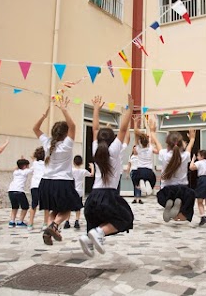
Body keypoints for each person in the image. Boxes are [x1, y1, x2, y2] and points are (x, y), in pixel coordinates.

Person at [79, 95, 134, 257]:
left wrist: (96, 108)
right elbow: (123, 130)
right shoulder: (114, 151)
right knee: (125, 219)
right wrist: (129, 109)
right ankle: (98, 233)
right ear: (112, 139)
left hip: (93, 197)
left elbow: (95, 129)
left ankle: (88, 237)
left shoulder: (96, 149)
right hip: (108, 195)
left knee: (96, 222)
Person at [33, 98, 81, 246]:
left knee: (54, 210)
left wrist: (43, 116)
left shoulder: (47, 143)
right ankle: (54, 226)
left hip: (46, 183)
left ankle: (50, 228)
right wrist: (64, 109)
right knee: (67, 211)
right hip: (63, 182)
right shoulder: (66, 145)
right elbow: (73, 125)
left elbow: (35, 129)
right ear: (66, 134)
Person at [150, 119, 196, 223]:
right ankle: (178, 212)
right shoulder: (185, 156)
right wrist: (192, 138)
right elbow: (189, 148)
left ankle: (170, 206)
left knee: (163, 198)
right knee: (189, 200)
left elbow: (157, 144)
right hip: (183, 190)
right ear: (181, 144)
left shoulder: (164, 154)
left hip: (167, 190)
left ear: (168, 144)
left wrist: (152, 131)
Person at [64, 156, 94, 229]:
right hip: (79, 191)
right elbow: (91, 174)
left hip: (71, 190)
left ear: (73, 162)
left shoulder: (70, 170)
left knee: (68, 207)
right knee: (78, 207)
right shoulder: (83, 171)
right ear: (82, 163)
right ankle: (76, 220)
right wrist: (92, 167)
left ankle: (67, 221)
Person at [134, 120, 157, 196]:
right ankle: (147, 182)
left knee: (137, 180)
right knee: (152, 180)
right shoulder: (150, 148)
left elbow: (136, 137)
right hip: (149, 171)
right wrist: (151, 130)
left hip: (140, 170)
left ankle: (141, 181)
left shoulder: (138, 148)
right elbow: (157, 151)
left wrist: (135, 123)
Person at [27, 147, 48, 231]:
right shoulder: (47, 164)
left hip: (34, 185)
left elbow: (32, 158)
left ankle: (30, 223)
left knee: (33, 204)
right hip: (44, 184)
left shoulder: (34, 163)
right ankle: (45, 223)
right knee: (46, 206)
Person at [7, 159, 32, 228]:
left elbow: (17, 167)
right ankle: (20, 221)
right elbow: (33, 169)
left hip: (11, 190)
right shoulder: (25, 171)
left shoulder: (15, 172)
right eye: (27, 165)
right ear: (24, 166)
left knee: (14, 207)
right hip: (19, 191)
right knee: (25, 207)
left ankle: (12, 221)